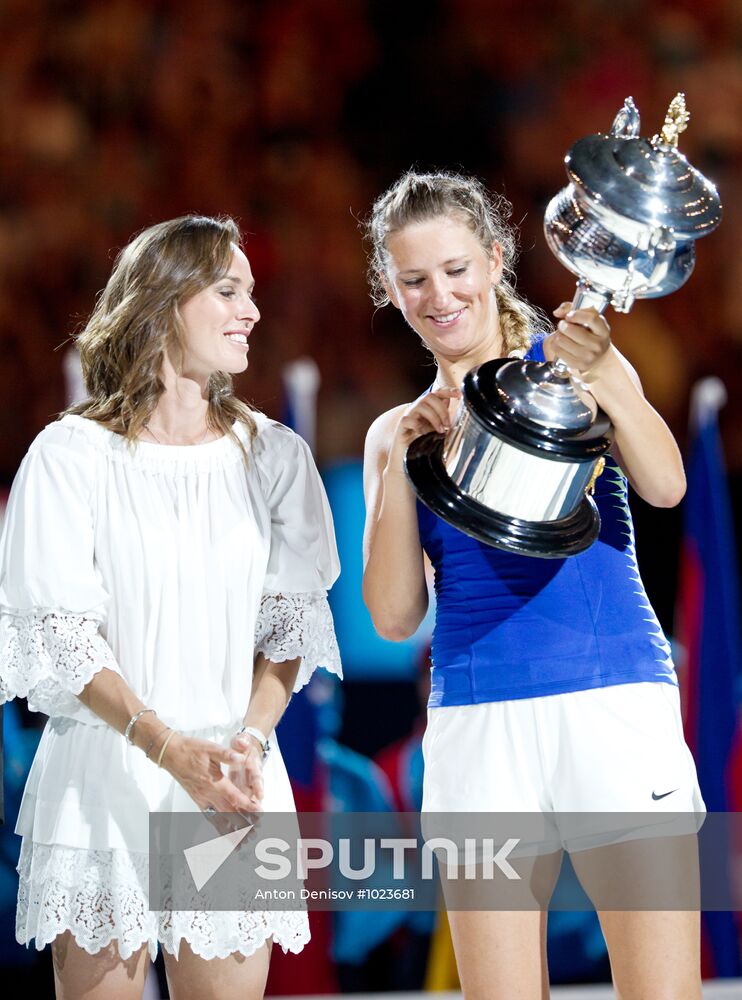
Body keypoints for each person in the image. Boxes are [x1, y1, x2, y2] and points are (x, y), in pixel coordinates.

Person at [362, 170, 703, 999]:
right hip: (478, 724)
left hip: (612, 696)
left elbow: (666, 487)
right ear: (391, 291)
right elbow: (394, 614)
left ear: (495, 258)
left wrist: (613, 373)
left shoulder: (569, 371)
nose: (439, 295)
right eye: (413, 280)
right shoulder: (392, 431)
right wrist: (408, 467)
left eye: (454, 270)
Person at [0, 215, 341, 1000]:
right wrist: (162, 746)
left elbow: (287, 628)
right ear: (161, 303)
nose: (252, 310)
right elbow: (63, 635)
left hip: (231, 778)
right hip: (105, 773)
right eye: (228, 290)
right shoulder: (70, 457)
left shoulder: (275, 458)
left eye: (251, 292)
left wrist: (247, 742)